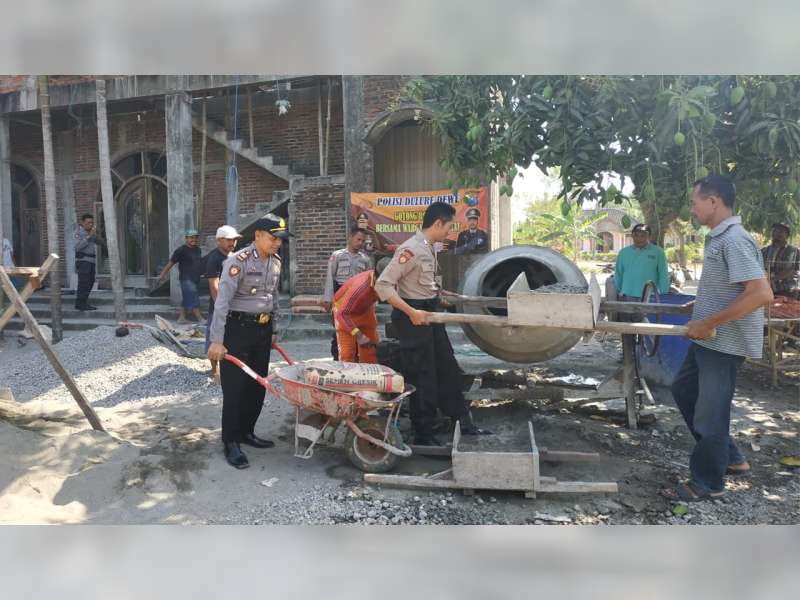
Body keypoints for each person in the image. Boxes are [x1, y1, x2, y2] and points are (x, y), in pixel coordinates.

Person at [661, 175, 773, 503]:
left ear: (713, 201)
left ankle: (707, 482)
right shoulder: (718, 238)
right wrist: (700, 304)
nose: (692, 210)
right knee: (683, 389)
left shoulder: (734, 240)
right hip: (710, 339)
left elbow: (760, 293)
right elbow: (732, 286)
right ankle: (732, 457)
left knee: (711, 413)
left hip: (724, 343)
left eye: (695, 203)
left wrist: (709, 321)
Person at [375, 201, 489, 446]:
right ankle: (423, 433)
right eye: (448, 226)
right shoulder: (410, 249)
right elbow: (383, 285)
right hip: (412, 318)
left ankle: (460, 420)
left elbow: (424, 283)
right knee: (423, 374)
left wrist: (442, 294)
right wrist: (411, 312)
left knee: (447, 366)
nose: (450, 232)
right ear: (438, 223)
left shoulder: (429, 247)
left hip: (430, 312)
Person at [207, 215, 289, 469]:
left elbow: (273, 296)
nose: (278, 243)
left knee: (257, 386)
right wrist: (216, 341)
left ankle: (247, 432)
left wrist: (273, 328)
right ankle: (231, 442)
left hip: (262, 331)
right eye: (273, 238)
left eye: (280, 239)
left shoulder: (275, 262)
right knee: (235, 389)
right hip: (238, 330)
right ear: (258, 236)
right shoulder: (237, 262)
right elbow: (221, 303)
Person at [323, 226, 371, 360]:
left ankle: (355, 358)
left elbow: (369, 281)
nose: (360, 243)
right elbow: (329, 278)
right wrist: (328, 299)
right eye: (358, 239)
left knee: (356, 328)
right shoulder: (337, 255)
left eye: (363, 241)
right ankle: (338, 358)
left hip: (358, 299)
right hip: (340, 297)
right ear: (350, 237)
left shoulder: (365, 259)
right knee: (340, 329)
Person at [332, 258, 390, 364]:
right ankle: (347, 378)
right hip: (344, 313)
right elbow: (342, 314)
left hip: (365, 309)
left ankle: (370, 377)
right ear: (378, 278)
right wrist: (359, 335)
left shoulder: (388, 280)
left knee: (371, 350)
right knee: (347, 354)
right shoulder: (361, 287)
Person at [205, 225, 242, 379]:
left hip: (234, 305)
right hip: (218, 307)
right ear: (219, 241)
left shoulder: (234, 257)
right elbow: (214, 286)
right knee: (214, 337)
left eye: (234, 240)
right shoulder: (214, 259)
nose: (232, 243)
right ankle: (214, 370)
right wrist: (220, 309)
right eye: (228, 240)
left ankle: (230, 368)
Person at [613, 223, 670, 301]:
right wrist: (620, 291)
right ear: (632, 236)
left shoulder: (658, 252)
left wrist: (663, 293)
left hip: (650, 296)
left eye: (643, 235)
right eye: (636, 235)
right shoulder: (623, 252)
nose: (639, 238)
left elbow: (663, 274)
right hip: (627, 295)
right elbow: (618, 274)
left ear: (649, 237)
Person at [159, 230, 203, 324]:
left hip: (195, 278)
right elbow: (171, 263)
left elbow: (198, 263)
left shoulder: (198, 249)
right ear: (186, 238)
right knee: (193, 296)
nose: (194, 239)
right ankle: (199, 318)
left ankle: (181, 318)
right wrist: (162, 275)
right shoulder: (181, 250)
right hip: (186, 278)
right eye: (191, 237)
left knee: (187, 297)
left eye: (195, 237)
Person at [761, 222, 799, 299]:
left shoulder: (794, 251)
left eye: (781, 231)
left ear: (787, 235)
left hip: (787, 290)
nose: (776, 234)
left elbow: (791, 270)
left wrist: (771, 280)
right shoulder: (764, 251)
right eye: (774, 231)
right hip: (767, 290)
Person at [74, 213, 103, 311]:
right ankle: (80, 303)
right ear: (82, 223)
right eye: (88, 223)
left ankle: (83, 302)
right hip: (83, 261)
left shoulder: (91, 232)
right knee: (84, 282)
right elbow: (77, 247)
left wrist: (96, 234)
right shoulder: (78, 232)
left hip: (91, 261)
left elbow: (99, 243)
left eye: (92, 223)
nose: (90, 225)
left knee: (90, 282)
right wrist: (88, 237)